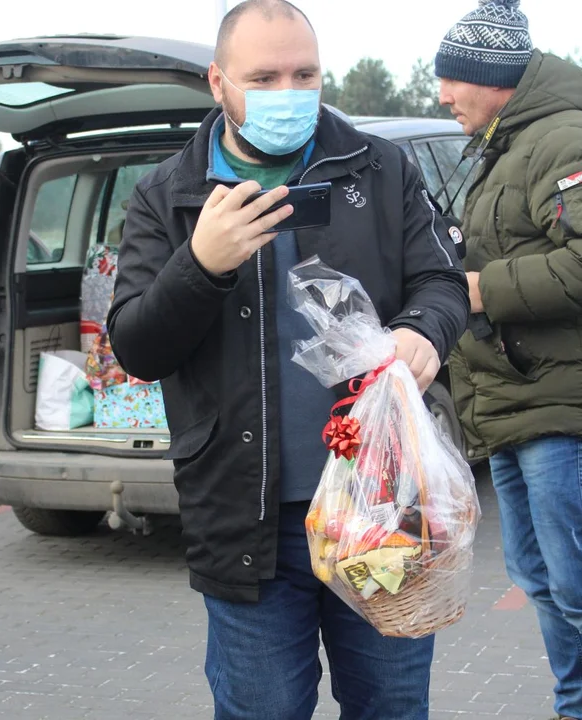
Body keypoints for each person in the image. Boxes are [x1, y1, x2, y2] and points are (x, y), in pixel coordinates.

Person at [107, 1, 470, 717]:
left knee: (393, 706)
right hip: (248, 524)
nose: (288, 92)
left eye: (305, 74)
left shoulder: (379, 167)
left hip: (383, 505)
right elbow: (136, 346)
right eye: (264, 77)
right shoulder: (168, 196)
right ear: (218, 83)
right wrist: (200, 265)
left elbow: (442, 279)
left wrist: (426, 330)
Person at [433, 2, 582, 719]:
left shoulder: (566, 140)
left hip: (561, 404)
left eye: (450, 79)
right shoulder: (511, 145)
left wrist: (481, 288)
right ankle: (578, 711)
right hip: (516, 397)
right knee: (539, 576)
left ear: (491, 76)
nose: (442, 96)